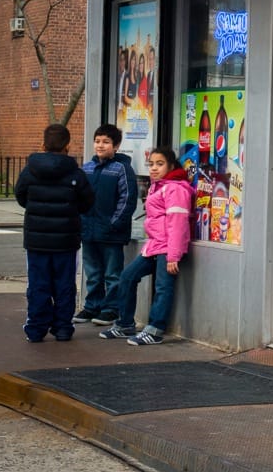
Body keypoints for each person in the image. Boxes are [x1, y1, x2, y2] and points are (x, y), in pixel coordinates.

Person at [100, 146, 194, 345]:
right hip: (154, 245)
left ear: (171, 166)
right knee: (127, 277)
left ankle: (155, 330)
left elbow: (178, 224)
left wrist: (173, 256)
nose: (154, 168)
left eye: (160, 164)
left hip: (168, 248)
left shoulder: (175, 188)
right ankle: (125, 324)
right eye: (151, 164)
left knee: (163, 287)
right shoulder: (158, 186)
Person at [14, 123, 95, 342]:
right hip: (66, 240)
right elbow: (87, 202)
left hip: (36, 239)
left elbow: (20, 195)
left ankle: (36, 328)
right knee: (64, 284)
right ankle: (63, 328)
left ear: (43, 144)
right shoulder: (76, 174)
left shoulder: (30, 171)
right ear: (67, 145)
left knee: (38, 284)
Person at [73, 124, 139, 326]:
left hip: (111, 233)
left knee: (112, 274)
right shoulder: (87, 168)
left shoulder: (122, 169)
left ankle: (111, 309)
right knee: (92, 273)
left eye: (106, 142)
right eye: (97, 141)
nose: (100, 145)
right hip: (88, 231)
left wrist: (114, 223)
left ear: (116, 146)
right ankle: (92, 306)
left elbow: (127, 199)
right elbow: (78, 197)